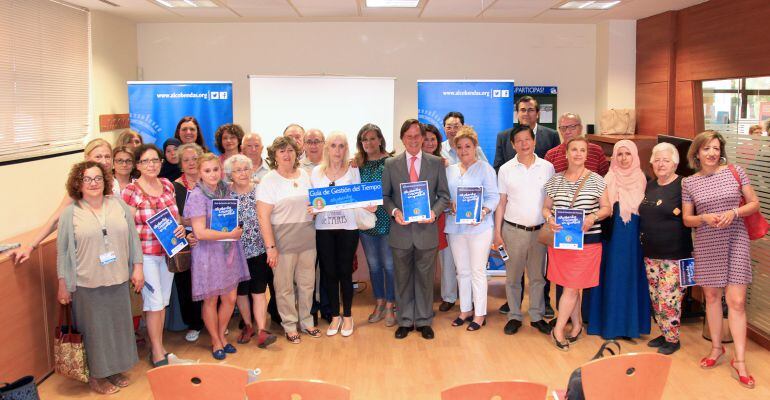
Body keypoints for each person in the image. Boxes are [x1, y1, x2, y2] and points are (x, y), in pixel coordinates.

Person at [56, 161, 144, 394]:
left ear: (105, 181)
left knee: (117, 327)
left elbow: (133, 240)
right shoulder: (70, 213)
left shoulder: (119, 205)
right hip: (86, 282)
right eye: (87, 179)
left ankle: (113, 369)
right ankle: (96, 375)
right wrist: (63, 284)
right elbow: (63, 252)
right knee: (94, 330)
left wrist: (138, 268)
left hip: (118, 277)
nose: (93, 183)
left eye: (98, 178)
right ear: (78, 183)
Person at [682, 131, 758, 389]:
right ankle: (716, 349)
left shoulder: (736, 171)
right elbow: (687, 220)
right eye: (706, 149)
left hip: (736, 238)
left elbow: (754, 204)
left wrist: (734, 212)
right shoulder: (689, 183)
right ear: (697, 153)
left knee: (736, 302)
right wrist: (703, 218)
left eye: (715, 148)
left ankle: (740, 361)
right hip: (707, 242)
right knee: (712, 298)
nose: (712, 153)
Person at [382, 119, 450, 340]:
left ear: (423, 138)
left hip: (426, 232)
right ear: (402, 139)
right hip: (400, 232)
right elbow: (385, 196)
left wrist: (434, 212)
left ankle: (423, 320)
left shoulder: (436, 162)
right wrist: (394, 212)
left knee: (425, 279)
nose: (413, 140)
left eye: (417, 136)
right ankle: (404, 320)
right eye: (408, 136)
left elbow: (444, 196)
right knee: (402, 279)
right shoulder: (391, 164)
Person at [542, 137, 611, 351]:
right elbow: (546, 208)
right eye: (574, 150)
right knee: (572, 286)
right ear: (566, 153)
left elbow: (607, 208)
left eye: (583, 150)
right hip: (561, 243)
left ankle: (559, 329)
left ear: (587, 154)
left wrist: (592, 217)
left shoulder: (598, 180)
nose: (578, 154)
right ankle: (578, 324)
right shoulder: (555, 180)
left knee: (571, 287)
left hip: (588, 243)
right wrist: (549, 219)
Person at [495, 98, 561, 317]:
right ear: (513, 145)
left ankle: (536, 315)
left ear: (534, 141)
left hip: (539, 231)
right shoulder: (505, 169)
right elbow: (501, 203)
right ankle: (514, 315)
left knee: (537, 278)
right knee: (513, 278)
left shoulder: (548, 167)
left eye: (527, 140)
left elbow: (550, 200)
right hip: (512, 231)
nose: (524, 144)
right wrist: (497, 233)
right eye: (519, 141)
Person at [122, 144, 187, 367]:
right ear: (138, 165)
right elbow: (127, 230)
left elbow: (176, 218)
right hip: (146, 256)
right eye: (145, 161)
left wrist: (179, 229)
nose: (151, 165)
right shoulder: (131, 191)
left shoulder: (168, 185)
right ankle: (158, 353)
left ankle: (158, 347)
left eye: (155, 160)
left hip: (168, 253)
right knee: (155, 304)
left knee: (162, 302)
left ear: (161, 162)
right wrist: (136, 264)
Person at [9, 138, 118, 265]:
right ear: (87, 159)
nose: (104, 161)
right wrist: (30, 246)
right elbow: (56, 219)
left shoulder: (115, 182)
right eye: (98, 157)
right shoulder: (81, 186)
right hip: (90, 252)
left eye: (107, 156)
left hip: (115, 248)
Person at [185, 153, 250, 359]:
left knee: (230, 297)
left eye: (215, 169)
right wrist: (230, 234)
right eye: (207, 171)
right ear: (199, 173)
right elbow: (200, 232)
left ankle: (222, 335)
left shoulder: (226, 190)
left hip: (228, 251)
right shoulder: (196, 196)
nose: (212, 174)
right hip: (208, 254)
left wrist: (235, 230)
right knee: (211, 300)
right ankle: (215, 341)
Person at [256, 136, 320, 344]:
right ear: (274, 155)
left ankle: (307, 322)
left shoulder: (304, 175)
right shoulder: (269, 180)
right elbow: (263, 216)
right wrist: (271, 247)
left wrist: (315, 208)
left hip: (308, 239)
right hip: (282, 242)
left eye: (290, 150)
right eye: (282, 151)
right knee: (284, 288)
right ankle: (290, 325)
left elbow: (314, 203)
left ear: (296, 153)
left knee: (307, 284)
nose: (287, 154)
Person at [587, 140, 652, 339]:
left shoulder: (643, 179)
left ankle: (630, 326)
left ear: (635, 156)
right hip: (612, 237)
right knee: (612, 276)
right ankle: (609, 325)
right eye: (620, 154)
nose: (623, 158)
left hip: (633, 239)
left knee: (630, 277)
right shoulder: (607, 178)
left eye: (628, 154)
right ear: (614, 157)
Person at [311, 132, 370, 337]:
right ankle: (334, 316)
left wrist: (369, 204)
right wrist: (313, 208)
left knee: (345, 272)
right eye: (334, 145)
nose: (338, 150)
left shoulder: (353, 170)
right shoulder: (317, 172)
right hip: (324, 228)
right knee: (329, 273)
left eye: (342, 146)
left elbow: (361, 196)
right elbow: (314, 201)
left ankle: (347, 316)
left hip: (348, 228)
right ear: (327, 148)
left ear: (347, 149)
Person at [638, 142, 692, 355]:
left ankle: (673, 339)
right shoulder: (650, 185)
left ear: (675, 163)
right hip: (651, 253)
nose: (661, 164)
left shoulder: (684, 185)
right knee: (656, 297)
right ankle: (665, 332)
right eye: (657, 160)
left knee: (669, 298)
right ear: (651, 163)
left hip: (676, 255)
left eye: (666, 160)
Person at [445, 126, 499, 331]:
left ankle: (479, 314)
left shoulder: (485, 169)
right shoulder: (449, 170)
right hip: (455, 227)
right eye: (459, 147)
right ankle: (465, 309)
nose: (464, 150)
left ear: (475, 146)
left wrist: (483, 211)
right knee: (462, 271)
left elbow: (493, 197)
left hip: (480, 228)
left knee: (477, 271)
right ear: (455, 149)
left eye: (468, 146)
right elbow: (445, 198)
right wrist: (450, 205)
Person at [224, 154, 277, 348]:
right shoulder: (225, 193)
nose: (243, 173)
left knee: (258, 291)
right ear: (230, 174)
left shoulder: (260, 190)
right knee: (241, 293)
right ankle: (248, 326)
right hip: (234, 252)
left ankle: (262, 330)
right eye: (237, 170)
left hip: (259, 249)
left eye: (246, 169)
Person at [354, 123, 396, 326]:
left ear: (380, 139)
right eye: (364, 139)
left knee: (389, 265)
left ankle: (391, 305)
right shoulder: (356, 165)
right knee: (374, 266)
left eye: (372, 138)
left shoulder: (391, 162)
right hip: (366, 223)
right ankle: (379, 302)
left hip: (387, 220)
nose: (368, 142)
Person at [172, 143, 205, 342]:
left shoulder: (210, 180)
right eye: (186, 160)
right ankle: (194, 323)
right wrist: (186, 229)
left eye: (195, 159)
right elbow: (174, 217)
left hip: (210, 237)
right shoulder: (173, 187)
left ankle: (214, 321)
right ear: (180, 164)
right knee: (187, 284)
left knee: (211, 282)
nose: (191, 163)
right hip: (186, 240)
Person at [423, 124, 456, 312]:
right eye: (425, 139)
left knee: (447, 259)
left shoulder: (446, 163)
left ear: (438, 142)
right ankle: (423, 299)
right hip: (419, 219)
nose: (429, 142)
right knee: (424, 261)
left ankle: (449, 296)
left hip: (443, 216)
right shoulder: (414, 162)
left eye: (432, 139)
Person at [493, 96, 560, 170]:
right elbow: (498, 168)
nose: (526, 113)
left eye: (530, 110)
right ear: (517, 114)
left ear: (538, 114)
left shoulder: (552, 135)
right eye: (523, 110)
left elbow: (557, 166)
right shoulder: (503, 137)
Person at [545, 113, 609, 175]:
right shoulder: (551, 155)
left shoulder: (596, 151)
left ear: (580, 128)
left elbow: (605, 176)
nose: (567, 132)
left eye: (572, 127)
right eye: (563, 128)